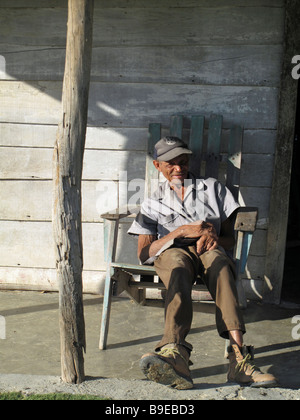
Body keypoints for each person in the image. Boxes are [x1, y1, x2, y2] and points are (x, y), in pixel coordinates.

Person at [128, 136, 278, 390]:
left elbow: (230, 239)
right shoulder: (153, 201)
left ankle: (239, 360)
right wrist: (179, 232)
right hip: (173, 251)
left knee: (220, 265)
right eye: (170, 163)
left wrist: (214, 235)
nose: (178, 168)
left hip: (210, 248)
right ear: (157, 165)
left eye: (183, 162)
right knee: (177, 268)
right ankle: (175, 354)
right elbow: (144, 253)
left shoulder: (214, 188)